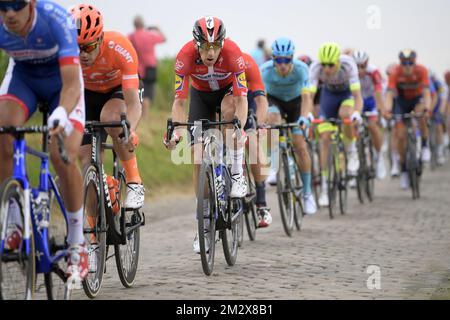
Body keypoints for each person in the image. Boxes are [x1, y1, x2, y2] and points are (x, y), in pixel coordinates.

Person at [0, 0, 87, 283]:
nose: (9, 12)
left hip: (61, 84)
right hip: (22, 80)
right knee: (3, 134)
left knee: (62, 154)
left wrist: (62, 112)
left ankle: (77, 242)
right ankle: (13, 219)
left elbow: (72, 83)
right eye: (2, 5)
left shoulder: (56, 19)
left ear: (32, 4)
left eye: (16, 4)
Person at [164, 16, 248, 253]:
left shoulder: (233, 53)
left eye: (215, 46)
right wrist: (179, 130)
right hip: (200, 97)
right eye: (205, 47)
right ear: (196, 44)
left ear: (222, 43)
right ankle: (203, 225)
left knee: (231, 112)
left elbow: (242, 100)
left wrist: (239, 127)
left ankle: (236, 172)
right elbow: (179, 102)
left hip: (228, 94)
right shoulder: (184, 57)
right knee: (197, 157)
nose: (210, 53)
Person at [70, 4, 145, 209]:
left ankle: (134, 181)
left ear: (101, 39)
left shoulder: (119, 46)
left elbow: (133, 102)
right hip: (88, 94)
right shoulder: (66, 53)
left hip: (117, 90)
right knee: (86, 163)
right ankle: (94, 236)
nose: (83, 54)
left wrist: (131, 128)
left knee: (111, 119)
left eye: (89, 47)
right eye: (77, 47)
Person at [261, 37, 317, 215]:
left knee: (300, 146)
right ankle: (274, 163)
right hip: (275, 101)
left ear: (292, 58)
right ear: (273, 59)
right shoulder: (265, 71)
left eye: (287, 60)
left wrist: (305, 116)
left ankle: (307, 194)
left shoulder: (302, 69)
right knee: (272, 120)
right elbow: (261, 99)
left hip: (296, 103)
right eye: (279, 60)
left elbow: (307, 98)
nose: (283, 64)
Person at [309, 42, 364, 207]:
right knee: (324, 138)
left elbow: (357, 95)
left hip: (346, 95)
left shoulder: (348, 64)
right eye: (324, 65)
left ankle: (352, 150)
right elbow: (309, 97)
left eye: (331, 65)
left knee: (345, 114)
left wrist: (357, 113)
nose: (327, 69)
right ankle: (325, 187)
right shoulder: (315, 67)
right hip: (328, 97)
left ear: (338, 61)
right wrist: (309, 115)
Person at [385, 49, 432, 190]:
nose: (407, 66)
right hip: (401, 102)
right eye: (404, 63)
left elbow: (427, 92)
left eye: (410, 63)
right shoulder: (395, 72)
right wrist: (387, 110)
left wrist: (428, 108)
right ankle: (404, 169)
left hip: (416, 100)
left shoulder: (422, 71)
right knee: (400, 135)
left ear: (414, 62)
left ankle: (424, 145)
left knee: (421, 114)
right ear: (400, 63)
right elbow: (388, 94)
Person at [242, 52, 272, 227]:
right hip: (227, 106)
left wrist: (259, 124)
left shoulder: (248, 66)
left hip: (249, 107)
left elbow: (261, 101)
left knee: (252, 144)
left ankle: (262, 202)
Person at [352, 50, 387, 179]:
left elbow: (378, 92)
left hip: (372, 100)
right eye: (357, 66)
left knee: (372, 125)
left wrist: (379, 110)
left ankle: (379, 157)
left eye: (363, 66)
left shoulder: (373, 71)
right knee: (353, 124)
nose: (360, 70)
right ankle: (355, 158)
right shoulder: (351, 72)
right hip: (357, 100)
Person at [128, 15, 166, 117]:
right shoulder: (150, 35)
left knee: (139, 92)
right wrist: (157, 29)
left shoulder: (131, 37)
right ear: (143, 23)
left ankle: (137, 115)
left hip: (137, 68)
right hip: (150, 67)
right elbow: (164, 39)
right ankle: (145, 117)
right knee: (148, 95)